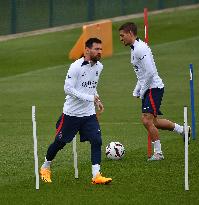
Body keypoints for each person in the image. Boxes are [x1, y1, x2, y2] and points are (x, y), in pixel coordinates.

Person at [40, 38, 112, 184]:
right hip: (71, 114)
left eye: (101, 49)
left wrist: (96, 99)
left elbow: (91, 86)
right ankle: (45, 166)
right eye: (96, 49)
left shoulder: (100, 67)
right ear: (87, 50)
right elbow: (68, 89)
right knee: (59, 143)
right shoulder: (76, 67)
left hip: (89, 114)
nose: (100, 52)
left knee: (97, 140)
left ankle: (96, 176)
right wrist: (88, 97)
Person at [118, 22, 190, 161]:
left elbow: (150, 72)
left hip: (153, 88)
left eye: (122, 35)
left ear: (130, 33)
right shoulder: (134, 49)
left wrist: (143, 90)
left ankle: (158, 153)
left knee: (146, 120)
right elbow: (142, 73)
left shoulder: (140, 49)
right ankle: (183, 130)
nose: (121, 39)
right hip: (149, 87)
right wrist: (137, 89)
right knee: (153, 122)